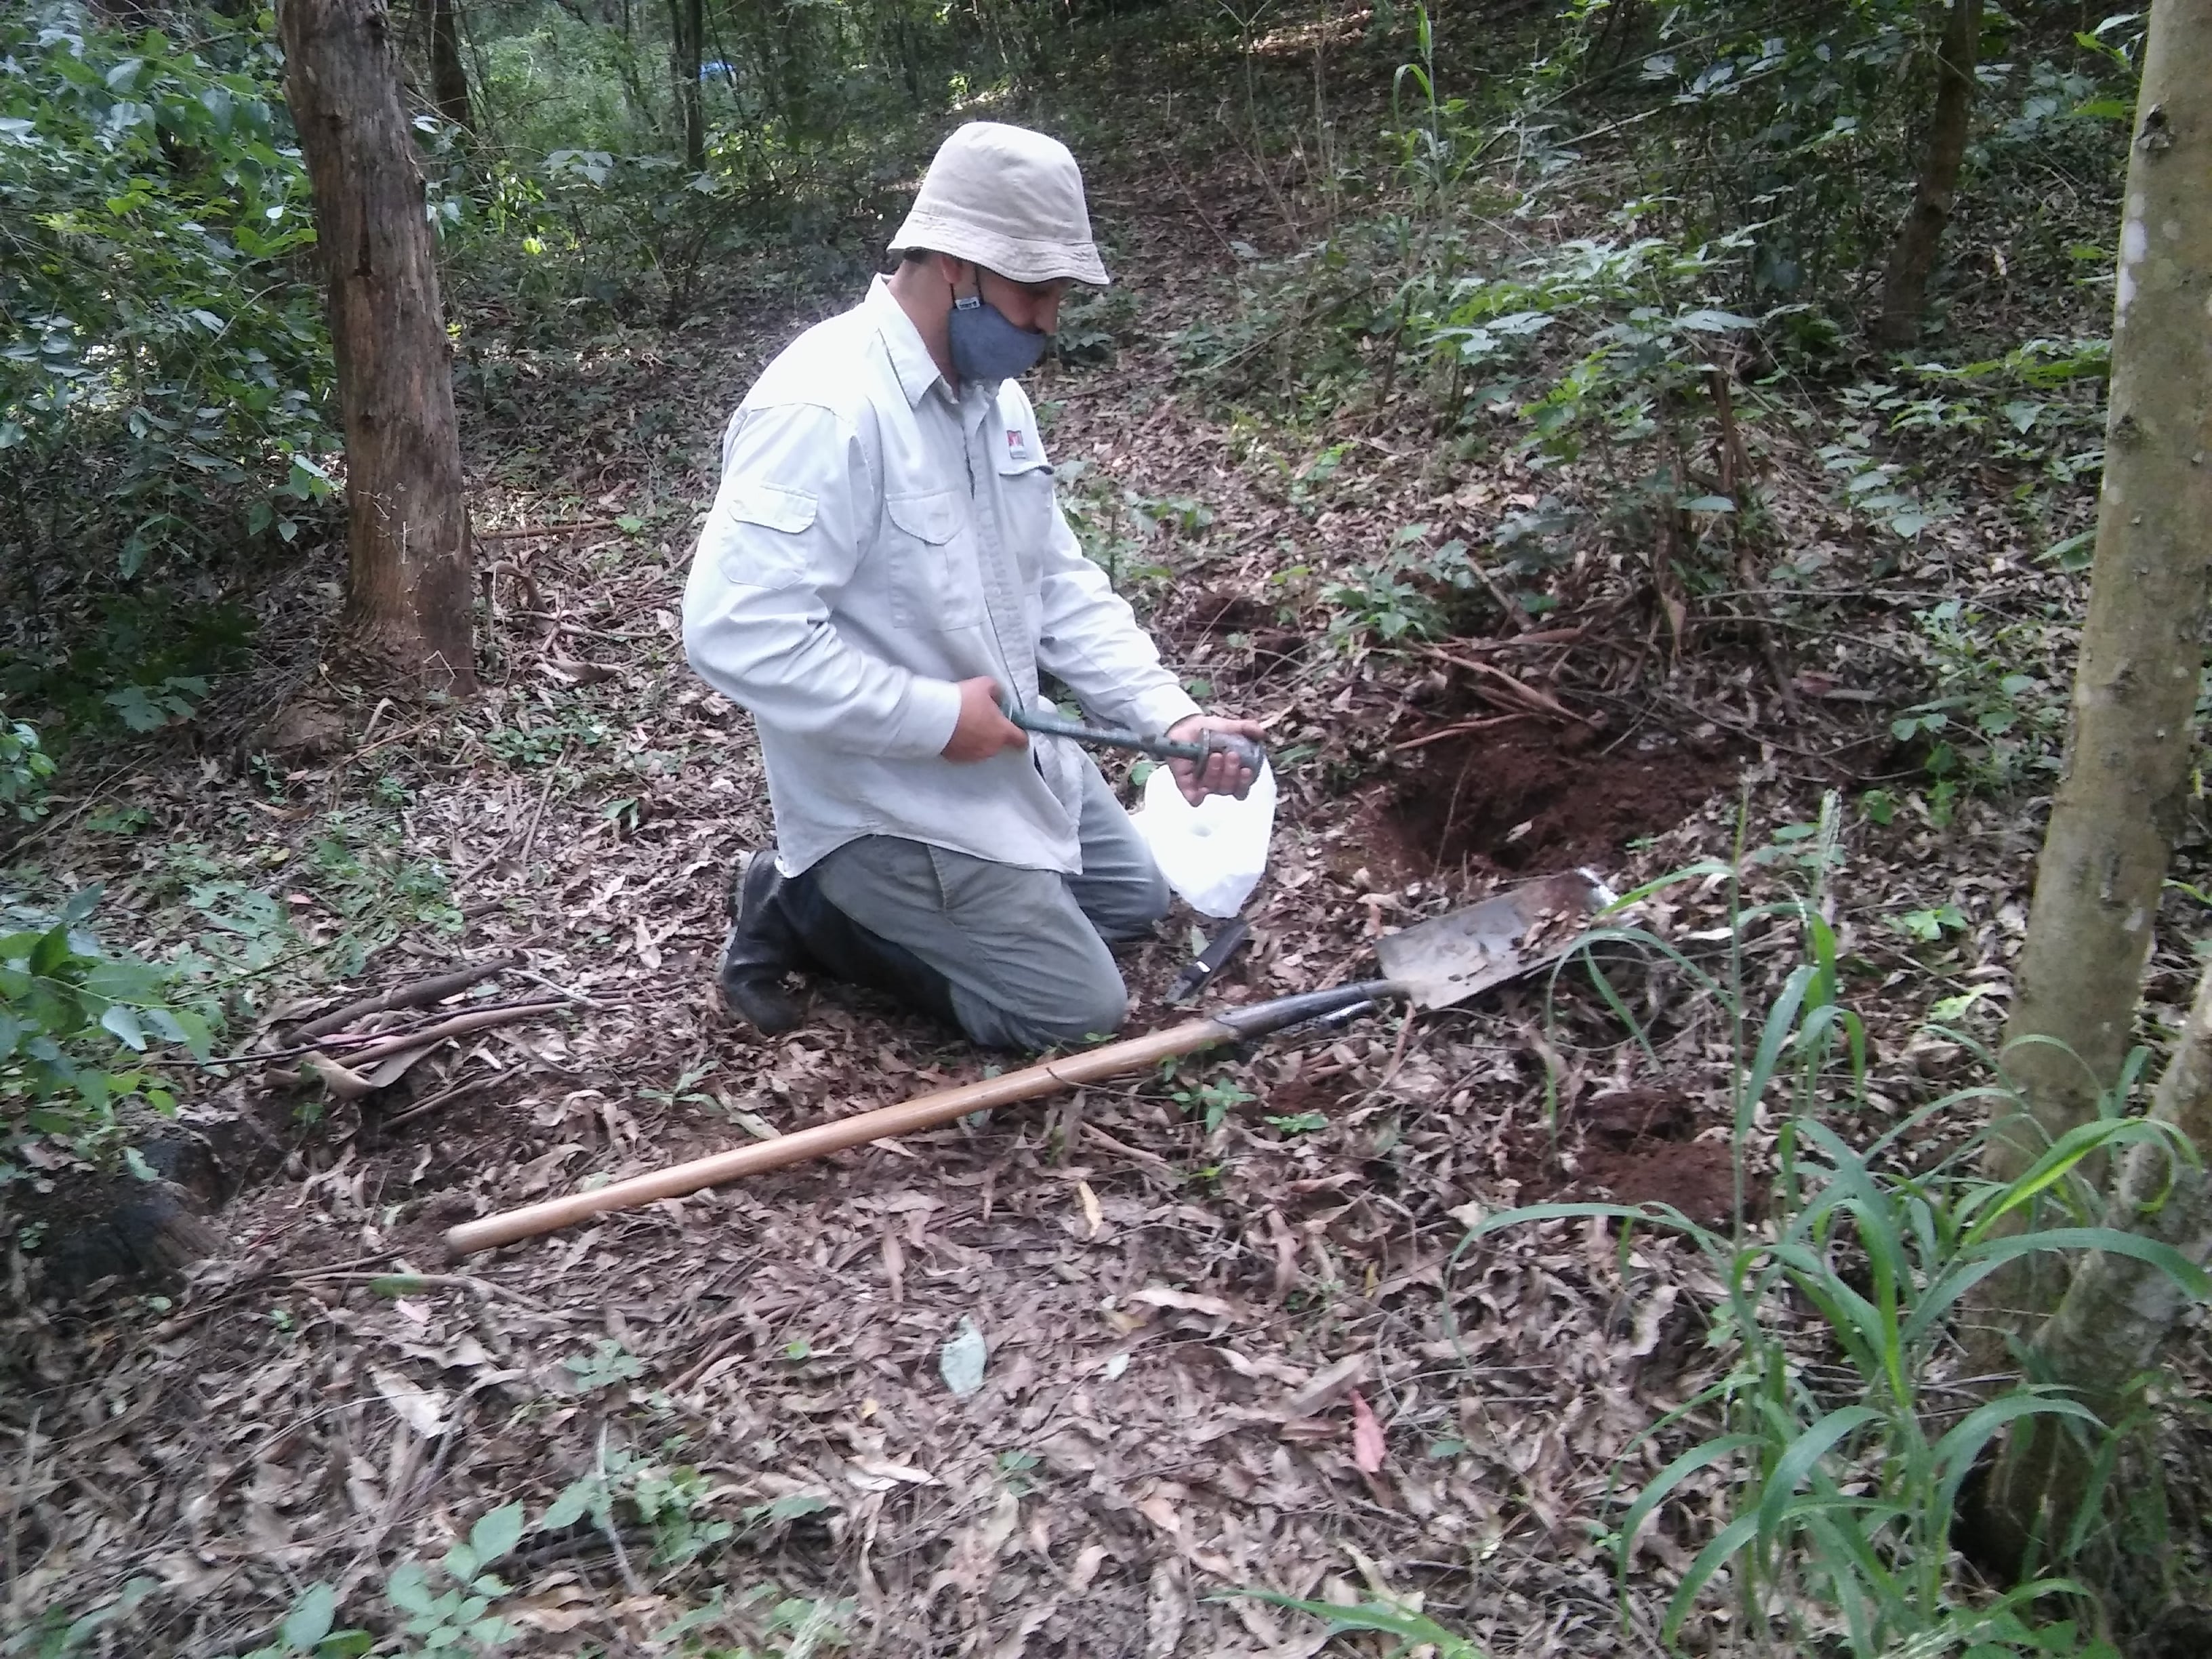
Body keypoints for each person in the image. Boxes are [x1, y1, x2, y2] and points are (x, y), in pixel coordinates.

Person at [681, 121, 1262, 1050]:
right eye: (1035, 292)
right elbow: (735, 632)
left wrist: (1172, 720)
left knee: (1136, 901)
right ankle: (807, 907)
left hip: (1011, 762)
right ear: (954, 264)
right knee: (1077, 1010)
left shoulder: (995, 400)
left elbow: (1058, 583)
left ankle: (941, 897)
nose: (1047, 322)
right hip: (891, 798)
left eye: (1057, 295)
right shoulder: (826, 408)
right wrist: (933, 719)